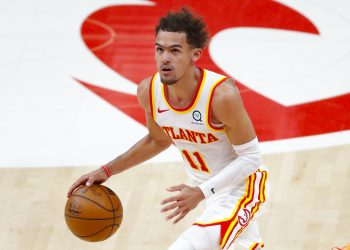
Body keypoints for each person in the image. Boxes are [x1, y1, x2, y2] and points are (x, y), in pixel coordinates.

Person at [67, 7, 268, 250]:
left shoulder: (220, 95)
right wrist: (107, 170)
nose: (164, 58)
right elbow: (157, 140)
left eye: (174, 51)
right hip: (207, 192)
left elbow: (251, 158)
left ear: (195, 54)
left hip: (241, 189)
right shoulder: (148, 92)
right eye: (159, 49)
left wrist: (200, 192)